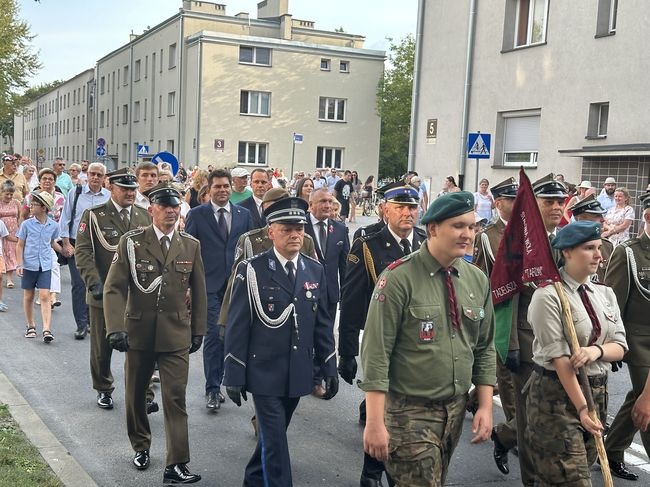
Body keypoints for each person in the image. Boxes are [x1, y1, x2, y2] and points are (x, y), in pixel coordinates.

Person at [360, 191, 496, 486]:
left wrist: (484, 406)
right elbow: (376, 353)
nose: (468, 234)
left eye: (472, 227)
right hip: (409, 411)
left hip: (455, 410)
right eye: (459, 226)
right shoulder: (398, 278)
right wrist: (374, 421)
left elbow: (484, 347)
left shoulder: (476, 279)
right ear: (433, 228)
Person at [223, 196, 338, 487]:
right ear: (270, 232)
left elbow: (322, 325)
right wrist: (233, 374)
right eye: (287, 229)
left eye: (299, 228)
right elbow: (238, 326)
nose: (295, 234)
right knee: (275, 443)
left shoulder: (314, 270)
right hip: (263, 372)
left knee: (272, 440)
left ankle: (252, 480)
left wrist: (329, 367)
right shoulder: (252, 270)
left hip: (297, 372)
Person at [103, 183, 207, 483]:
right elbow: (114, 287)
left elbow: (199, 291)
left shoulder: (190, 245)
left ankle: (176, 463)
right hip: (137, 333)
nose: (172, 211)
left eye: (176, 207)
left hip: (176, 334)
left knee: (175, 397)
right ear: (152, 210)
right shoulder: (132, 242)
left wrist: (198, 330)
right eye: (165, 207)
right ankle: (141, 445)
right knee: (136, 395)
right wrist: (116, 328)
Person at [338, 183, 427, 486]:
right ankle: (373, 471)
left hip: (420, 341)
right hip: (384, 339)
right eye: (400, 207)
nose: (407, 213)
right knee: (385, 410)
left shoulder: (427, 243)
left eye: (412, 208)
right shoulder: (368, 243)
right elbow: (351, 298)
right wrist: (347, 351)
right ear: (385, 209)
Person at [526, 221, 627, 485]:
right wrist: (582, 408)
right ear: (567, 252)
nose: (598, 255)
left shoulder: (604, 293)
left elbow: (619, 346)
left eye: (599, 248)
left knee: (577, 468)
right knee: (572, 479)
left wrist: (596, 350)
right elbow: (561, 361)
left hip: (598, 392)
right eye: (589, 248)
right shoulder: (548, 295)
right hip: (556, 397)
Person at [75, 169, 155, 411]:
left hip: (137, 294)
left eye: (133, 189)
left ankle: (144, 392)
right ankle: (103, 387)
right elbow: (83, 252)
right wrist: (94, 282)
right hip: (104, 293)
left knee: (141, 346)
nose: (131, 193)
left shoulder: (143, 216)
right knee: (102, 346)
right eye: (125, 189)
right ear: (112, 188)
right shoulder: (94, 215)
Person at [508, 173, 567, 486]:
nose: (557, 207)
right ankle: (531, 481)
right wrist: (512, 344)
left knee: (556, 416)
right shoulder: (522, 241)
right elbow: (510, 294)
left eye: (561, 201)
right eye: (549, 201)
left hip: (564, 346)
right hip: (529, 342)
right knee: (529, 421)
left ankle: (504, 437)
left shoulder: (567, 238)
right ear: (535, 204)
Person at [185, 169, 253, 411]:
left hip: (237, 285)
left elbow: (250, 249)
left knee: (234, 335)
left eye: (226, 186)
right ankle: (212, 389)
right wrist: (188, 286)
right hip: (208, 285)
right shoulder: (197, 214)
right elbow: (187, 251)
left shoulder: (244, 215)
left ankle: (231, 379)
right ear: (209, 189)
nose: (222, 190)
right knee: (214, 335)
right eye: (218, 187)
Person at [470, 176, 519, 475]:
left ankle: (475, 398)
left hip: (527, 321)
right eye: (512, 200)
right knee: (513, 388)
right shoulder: (488, 236)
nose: (517, 205)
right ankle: (512, 436)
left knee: (513, 382)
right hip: (500, 320)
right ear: (499, 203)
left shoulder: (529, 233)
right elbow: (479, 277)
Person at [604, 193, 650, 481]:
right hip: (640, 340)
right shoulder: (630, 253)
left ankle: (611, 449)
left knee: (639, 395)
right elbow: (612, 303)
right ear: (648, 216)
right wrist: (614, 343)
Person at [305, 188, 349, 397]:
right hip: (302, 294)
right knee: (302, 336)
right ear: (311, 204)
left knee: (325, 337)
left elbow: (345, 266)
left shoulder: (340, 229)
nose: (328, 205)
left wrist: (345, 294)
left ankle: (316, 379)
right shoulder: (299, 226)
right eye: (322, 201)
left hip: (329, 294)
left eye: (330, 201)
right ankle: (299, 375)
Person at [59, 163, 110, 339]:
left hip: (101, 247)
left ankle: (91, 320)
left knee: (97, 283)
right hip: (78, 245)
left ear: (104, 178)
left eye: (99, 175)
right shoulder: (76, 192)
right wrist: (66, 243)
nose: (95, 177)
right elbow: (65, 218)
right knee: (79, 285)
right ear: (87, 175)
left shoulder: (109, 197)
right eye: (92, 174)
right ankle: (81, 324)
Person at [16, 191, 62, 343]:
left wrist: (64, 251)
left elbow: (52, 242)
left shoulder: (53, 226)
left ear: (43, 208)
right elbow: (20, 245)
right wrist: (19, 264)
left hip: (45, 265)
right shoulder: (26, 224)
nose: (31, 206)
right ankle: (30, 326)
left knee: (45, 296)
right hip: (29, 264)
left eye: (34, 204)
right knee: (29, 296)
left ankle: (46, 329)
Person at [570, 194, 613, 282]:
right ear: (580, 219)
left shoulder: (607, 246)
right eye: (597, 216)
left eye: (602, 215)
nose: (603, 220)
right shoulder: (569, 246)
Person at [0, 181, 22, 289]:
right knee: (2, 254)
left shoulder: (16, 203)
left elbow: (20, 217)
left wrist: (20, 229)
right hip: (1, 233)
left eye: (11, 194)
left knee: (11, 254)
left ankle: (9, 279)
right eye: (7, 194)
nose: (9, 196)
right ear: (2, 192)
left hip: (13, 231)